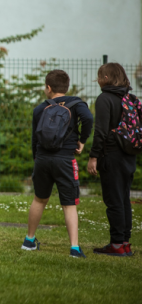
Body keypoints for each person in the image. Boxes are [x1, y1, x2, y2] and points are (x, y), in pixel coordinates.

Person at [22, 70, 93, 258]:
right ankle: (74, 248)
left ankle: (29, 241)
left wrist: (36, 159)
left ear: (48, 88)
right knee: (69, 204)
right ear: (67, 87)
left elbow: (34, 139)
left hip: (43, 159)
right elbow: (88, 119)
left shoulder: (40, 109)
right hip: (65, 160)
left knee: (39, 199)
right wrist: (82, 140)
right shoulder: (77, 104)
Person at [87, 63, 137, 257]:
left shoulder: (104, 99)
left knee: (113, 201)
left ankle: (116, 244)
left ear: (106, 78)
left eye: (100, 76)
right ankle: (124, 242)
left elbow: (100, 132)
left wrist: (94, 157)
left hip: (112, 156)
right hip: (129, 155)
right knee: (124, 199)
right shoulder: (130, 98)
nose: (98, 80)